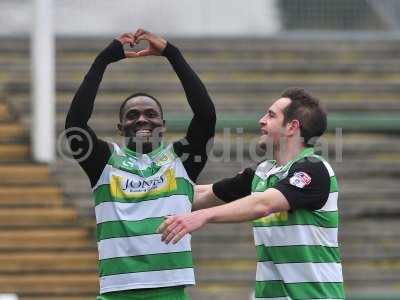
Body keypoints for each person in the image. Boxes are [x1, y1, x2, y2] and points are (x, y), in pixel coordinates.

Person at [65, 29, 216, 300]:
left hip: (170, 290)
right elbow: (75, 125)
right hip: (117, 291)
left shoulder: (182, 159)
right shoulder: (104, 162)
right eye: (132, 115)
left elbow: (205, 115)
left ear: (163, 124)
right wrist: (103, 60)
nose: (142, 120)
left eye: (151, 114)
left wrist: (172, 53)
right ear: (120, 127)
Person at [158, 88, 345, 300]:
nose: (261, 121)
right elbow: (202, 194)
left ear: (292, 127)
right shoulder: (264, 173)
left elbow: (263, 204)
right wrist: (149, 191)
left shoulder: (314, 169)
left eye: (271, 115)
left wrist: (203, 216)